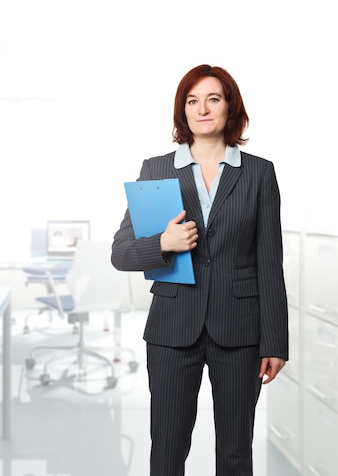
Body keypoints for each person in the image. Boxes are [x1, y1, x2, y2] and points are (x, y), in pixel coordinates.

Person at [111, 64, 288, 476]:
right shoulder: (156, 169)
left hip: (240, 330)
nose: (202, 109)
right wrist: (162, 245)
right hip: (173, 328)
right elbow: (120, 253)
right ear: (182, 111)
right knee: (168, 453)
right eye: (192, 101)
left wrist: (275, 341)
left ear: (230, 108)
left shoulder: (259, 172)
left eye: (213, 99)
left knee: (235, 454)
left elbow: (269, 261)